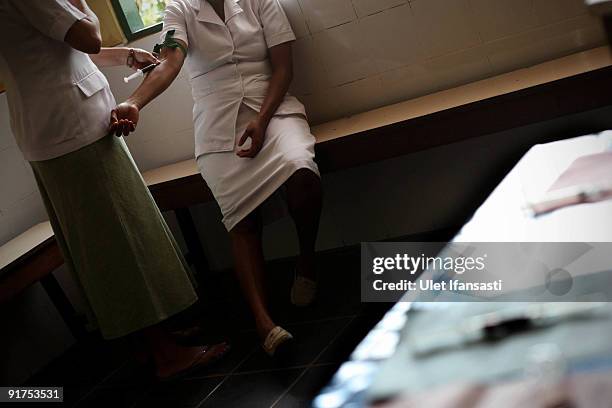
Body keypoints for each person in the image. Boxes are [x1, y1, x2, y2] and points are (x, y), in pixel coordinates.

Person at [0, 0, 229, 380]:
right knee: (119, 244)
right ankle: (166, 354)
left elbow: (54, 51)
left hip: (56, 132)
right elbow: (86, 37)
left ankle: (146, 342)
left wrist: (123, 55)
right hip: (72, 133)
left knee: (108, 240)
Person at [111, 0, 323, 356]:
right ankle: (263, 323)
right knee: (240, 218)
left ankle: (306, 262)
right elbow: (170, 61)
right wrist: (134, 102)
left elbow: (283, 68)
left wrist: (263, 120)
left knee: (301, 169)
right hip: (217, 125)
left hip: (271, 109)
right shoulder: (179, 10)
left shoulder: (260, 2)